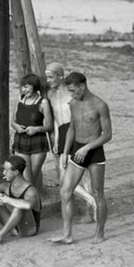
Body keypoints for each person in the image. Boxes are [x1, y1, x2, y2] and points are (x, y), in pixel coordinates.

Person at [49, 72, 112, 244]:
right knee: (65, 191)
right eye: (69, 91)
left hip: (94, 151)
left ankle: (99, 233)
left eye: (73, 91)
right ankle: (67, 235)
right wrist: (64, 152)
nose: (71, 94)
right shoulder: (73, 104)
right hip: (77, 150)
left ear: (82, 86)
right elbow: (71, 129)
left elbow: (107, 135)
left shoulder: (100, 105)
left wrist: (88, 147)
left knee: (98, 193)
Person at [45, 62, 97, 221]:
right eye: (46, 77)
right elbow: (54, 118)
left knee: (84, 174)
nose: (48, 80)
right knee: (63, 177)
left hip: (77, 131)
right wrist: (54, 139)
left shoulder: (72, 92)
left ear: (61, 76)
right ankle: (92, 201)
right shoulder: (50, 94)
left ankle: (90, 212)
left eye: (50, 77)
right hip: (61, 133)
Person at [0, 155, 41, 246]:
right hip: (14, 229)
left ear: (15, 172)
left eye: (6, 170)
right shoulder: (5, 186)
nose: (3, 172)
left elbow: (28, 205)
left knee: (19, 207)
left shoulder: (30, 190)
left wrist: (6, 199)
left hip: (28, 229)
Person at [11, 73, 53, 191]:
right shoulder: (19, 100)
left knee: (34, 176)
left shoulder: (43, 102)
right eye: (22, 87)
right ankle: (29, 205)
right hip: (21, 141)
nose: (23, 90)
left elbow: (49, 126)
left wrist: (36, 129)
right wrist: (17, 127)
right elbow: (12, 121)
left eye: (26, 87)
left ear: (34, 86)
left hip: (38, 143)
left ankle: (35, 204)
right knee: (26, 179)